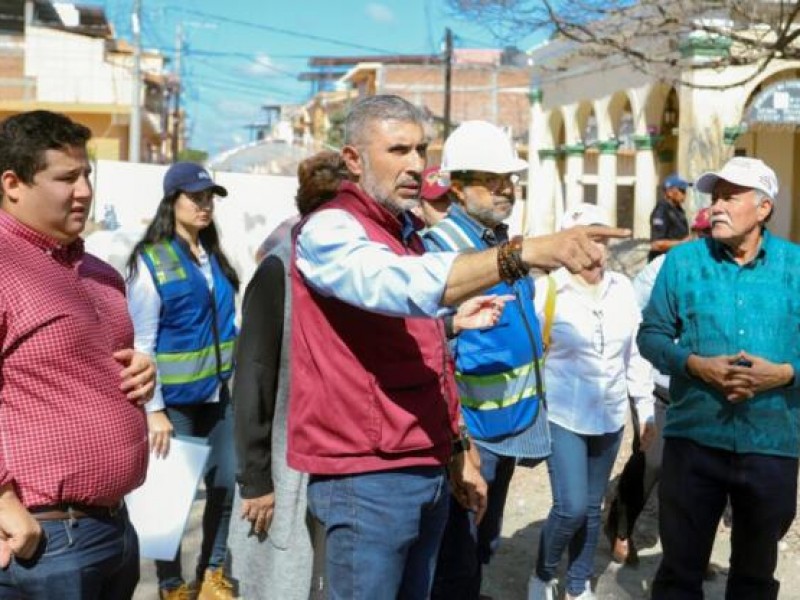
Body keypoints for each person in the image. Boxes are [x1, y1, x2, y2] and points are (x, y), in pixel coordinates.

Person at [288, 94, 630, 600]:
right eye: (398, 149)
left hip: (424, 460)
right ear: (355, 160)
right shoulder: (331, 228)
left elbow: (420, 354)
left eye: (420, 149)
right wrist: (525, 253)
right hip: (367, 476)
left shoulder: (403, 232)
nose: (414, 164)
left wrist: (454, 446)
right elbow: (398, 285)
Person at [0, 110, 155, 597]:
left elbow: (85, 365)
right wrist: (3, 503)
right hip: (44, 543)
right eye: (66, 177)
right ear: (13, 184)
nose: (85, 190)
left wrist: (143, 371)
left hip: (114, 527)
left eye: (87, 174)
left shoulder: (101, 273)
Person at [638, 156, 800, 599]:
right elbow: (650, 336)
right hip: (694, 442)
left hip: (772, 445)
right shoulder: (682, 263)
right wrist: (695, 365)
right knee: (678, 576)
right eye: (715, 197)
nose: (717, 207)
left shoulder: (796, 267)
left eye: (731, 197)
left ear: (763, 208)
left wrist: (785, 375)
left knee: (754, 577)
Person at [424, 120, 550, 600]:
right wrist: (460, 446)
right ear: (457, 188)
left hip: (507, 425)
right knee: (457, 551)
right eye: (492, 180)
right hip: (472, 435)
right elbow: (435, 350)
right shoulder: (445, 253)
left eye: (509, 180)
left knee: (481, 542)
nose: (506, 190)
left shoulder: (497, 241)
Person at [228, 150, 346, 600]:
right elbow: (253, 381)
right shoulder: (279, 270)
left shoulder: (352, 271)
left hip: (336, 464)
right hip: (285, 468)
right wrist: (256, 480)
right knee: (284, 581)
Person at [528, 203, 654, 600]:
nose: (593, 246)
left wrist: (644, 413)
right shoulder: (546, 290)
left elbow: (635, 354)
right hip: (563, 414)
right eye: (584, 237)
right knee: (570, 508)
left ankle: (579, 583)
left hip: (610, 415)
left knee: (592, 506)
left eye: (599, 237)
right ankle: (543, 575)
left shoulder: (622, 290)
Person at [127, 162, 239, 600]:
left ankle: (211, 574)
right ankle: (171, 586)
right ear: (172, 201)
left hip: (217, 396)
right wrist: (153, 411)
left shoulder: (214, 258)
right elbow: (142, 344)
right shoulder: (150, 260)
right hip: (172, 402)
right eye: (195, 197)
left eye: (210, 197)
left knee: (228, 483)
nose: (205, 205)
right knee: (169, 500)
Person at [604, 208, 712, 566]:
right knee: (653, 461)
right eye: (703, 233)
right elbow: (631, 317)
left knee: (700, 475)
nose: (710, 239)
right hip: (661, 386)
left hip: (709, 392)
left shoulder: (737, 277)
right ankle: (620, 528)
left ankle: (688, 555)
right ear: (694, 235)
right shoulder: (664, 267)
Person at [648, 173, 691, 261]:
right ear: (669, 192)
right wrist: (684, 243)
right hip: (662, 263)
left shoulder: (678, 210)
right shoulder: (662, 210)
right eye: (682, 190)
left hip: (676, 260)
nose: (685, 194)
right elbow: (656, 244)